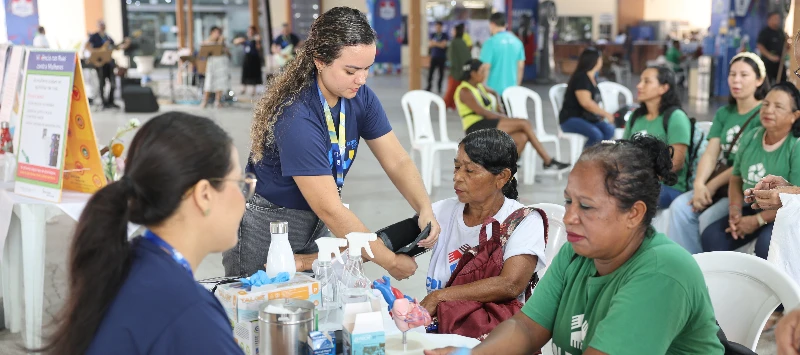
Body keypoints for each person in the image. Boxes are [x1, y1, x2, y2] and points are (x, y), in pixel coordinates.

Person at [424, 134, 725, 355]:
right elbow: (526, 328)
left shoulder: (662, 272)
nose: (569, 217)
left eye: (587, 207)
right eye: (569, 201)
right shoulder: (577, 253)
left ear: (634, 213)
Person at [223, 7, 440, 280]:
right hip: (269, 230)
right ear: (320, 61)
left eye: (367, 69)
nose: (361, 79)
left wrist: (424, 208)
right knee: (260, 315)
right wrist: (390, 262)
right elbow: (330, 208)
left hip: (318, 225)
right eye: (351, 70)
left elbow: (397, 160)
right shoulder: (297, 115)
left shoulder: (361, 97)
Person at [36, 112, 249, 355]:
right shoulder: (189, 315)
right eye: (240, 183)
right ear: (204, 195)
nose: (243, 197)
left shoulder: (126, 263)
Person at [421, 129, 546, 313]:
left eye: (470, 170)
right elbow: (393, 240)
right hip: (444, 327)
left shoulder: (523, 221)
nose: (457, 177)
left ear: (501, 177)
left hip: (492, 333)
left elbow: (510, 284)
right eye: (457, 167)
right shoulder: (443, 211)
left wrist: (439, 296)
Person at [667, 52, 768, 254]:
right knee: (679, 207)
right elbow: (711, 153)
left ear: (759, 80)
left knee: (707, 218)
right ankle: (687, 267)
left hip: (741, 185)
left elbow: (744, 165)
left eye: (744, 75)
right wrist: (699, 185)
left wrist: (711, 186)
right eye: (732, 74)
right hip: (720, 183)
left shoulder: (765, 114)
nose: (736, 80)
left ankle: (707, 272)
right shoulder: (724, 113)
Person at [700, 82, 800, 259]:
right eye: (766, 104)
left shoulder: (796, 146)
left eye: (778, 106)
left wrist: (757, 221)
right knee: (712, 237)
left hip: (782, 214)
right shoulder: (751, 136)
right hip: (751, 205)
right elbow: (736, 178)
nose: (768, 110)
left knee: (767, 245)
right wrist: (735, 212)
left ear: (795, 115)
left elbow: (794, 199)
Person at [455, 59, 569, 170]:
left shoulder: (479, 87)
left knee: (522, 138)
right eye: (482, 72)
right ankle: (547, 160)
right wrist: (506, 118)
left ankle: (503, 170)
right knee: (524, 123)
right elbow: (482, 112)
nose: (484, 75)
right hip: (475, 127)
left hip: (486, 123)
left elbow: (493, 96)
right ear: (473, 73)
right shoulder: (464, 90)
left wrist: (495, 97)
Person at [623, 65, 691, 208]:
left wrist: (639, 178)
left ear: (663, 88)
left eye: (647, 81)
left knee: (623, 198)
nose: (639, 85)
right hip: (635, 181)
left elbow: (676, 163)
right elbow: (623, 151)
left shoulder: (676, 117)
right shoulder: (636, 117)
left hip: (669, 186)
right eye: (640, 80)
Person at [559, 47, 616, 148]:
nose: (601, 61)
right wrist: (605, 113)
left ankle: (598, 158)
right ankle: (585, 161)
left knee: (609, 129)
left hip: (587, 118)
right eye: (600, 59)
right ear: (594, 60)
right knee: (596, 135)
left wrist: (599, 114)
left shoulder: (593, 78)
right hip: (571, 119)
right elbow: (586, 103)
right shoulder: (581, 78)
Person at [480, 12, 525, 97]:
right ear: (505, 25)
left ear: (492, 24)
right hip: (512, 92)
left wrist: (482, 90)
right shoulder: (518, 42)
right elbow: (520, 67)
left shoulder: (490, 43)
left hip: (493, 91)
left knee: (493, 111)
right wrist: (516, 87)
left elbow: (485, 67)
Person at [85, 20, 127, 109]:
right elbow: (87, 46)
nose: (102, 27)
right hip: (100, 63)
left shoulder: (108, 37)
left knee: (113, 82)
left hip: (109, 62)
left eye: (103, 25)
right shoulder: (94, 36)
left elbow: (115, 47)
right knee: (102, 83)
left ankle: (111, 101)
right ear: (98, 26)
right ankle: (103, 102)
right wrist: (97, 52)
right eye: (101, 25)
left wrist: (124, 45)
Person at [200, 26, 231, 108]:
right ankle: (205, 101)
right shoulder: (207, 41)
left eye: (219, 33)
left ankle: (217, 101)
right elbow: (203, 53)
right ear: (212, 32)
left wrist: (222, 42)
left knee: (220, 83)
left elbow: (228, 53)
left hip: (221, 65)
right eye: (216, 32)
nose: (218, 34)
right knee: (208, 83)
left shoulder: (222, 42)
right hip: (211, 65)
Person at [444, 23, 471, 110]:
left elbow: (451, 58)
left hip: (455, 71)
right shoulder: (463, 42)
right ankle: (453, 105)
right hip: (463, 71)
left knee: (451, 89)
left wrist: (451, 67)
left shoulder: (453, 43)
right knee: (457, 90)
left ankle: (446, 104)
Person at [757, 12, 788, 85]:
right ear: (769, 20)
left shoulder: (780, 32)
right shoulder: (765, 32)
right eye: (775, 18)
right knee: (767, 83)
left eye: (778, 19)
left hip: (779, 64)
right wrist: (770, 57)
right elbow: (760, 46)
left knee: (782, 83)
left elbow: (785, 46)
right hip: (768, 63)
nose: (777, 21)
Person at [235, 26, 263, 97]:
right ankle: (244, 88)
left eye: (251, 31)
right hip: (247, 58)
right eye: (249, 31)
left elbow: (259, 48)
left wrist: (257, 41)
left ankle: (254, 90)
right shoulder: (245, 39)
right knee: (245, 73)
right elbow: (236, 42)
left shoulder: (256, 39)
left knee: (254, 73)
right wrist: (241, 39)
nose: (250, 32)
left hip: (254, 58)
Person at [427, 21, 449, 93]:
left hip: (441, 57)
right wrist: (439, 44)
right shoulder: (433, 34)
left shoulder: (444, 35)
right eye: (436, 27)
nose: (437, 28)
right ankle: (429, 86)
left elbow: (444, 45)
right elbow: (430, 44)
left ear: (441, 27)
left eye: (439, 27)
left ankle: (439, 88)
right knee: (430, 73)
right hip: (434, 56)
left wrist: (435, 43)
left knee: (441, 74)